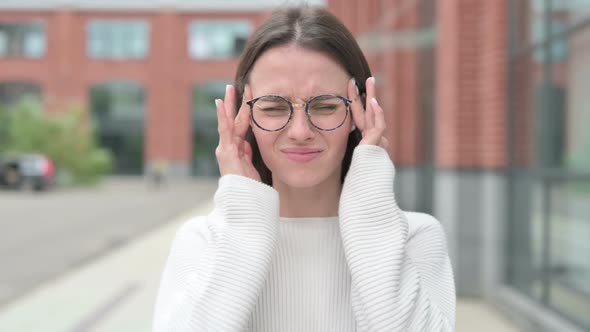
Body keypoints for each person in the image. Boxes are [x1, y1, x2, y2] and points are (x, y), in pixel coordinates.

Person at [153, 5, 455, 332]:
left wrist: (370, 203)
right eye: (273, 107)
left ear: (362, 113)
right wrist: (243, 220)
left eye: (325, 106)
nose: (299, 131)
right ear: (243, 118)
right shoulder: (203, 242)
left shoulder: (416, 238)